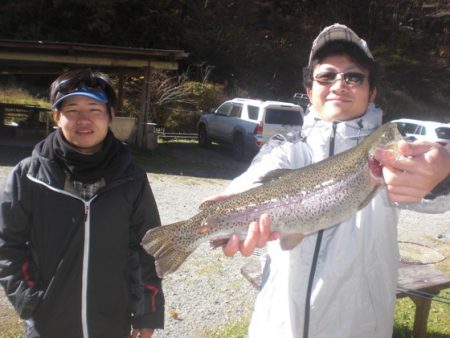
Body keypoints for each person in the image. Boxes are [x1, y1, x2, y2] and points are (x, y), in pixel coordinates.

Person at [217, 24, 450, 337]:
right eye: (326, 76)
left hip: (359, 327)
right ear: (310, 90)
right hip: (278, 325)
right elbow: (253, 181)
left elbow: (435, 191)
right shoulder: (284, 145)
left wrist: (443, 177)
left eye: (354, 77)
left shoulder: (389, 155)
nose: (340, 84)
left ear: (373, 92)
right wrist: (224, 207)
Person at [0, 69, 164, 338]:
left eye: (94, 108)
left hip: (112, 323)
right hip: (48, 324)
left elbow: (148, 248)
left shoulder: (131, 178)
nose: (83, 119)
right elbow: (7, 245)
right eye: (72, 109)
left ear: (111, 115)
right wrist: (30, 301)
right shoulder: (28, 175)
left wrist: (148, 315)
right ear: (56, 117)